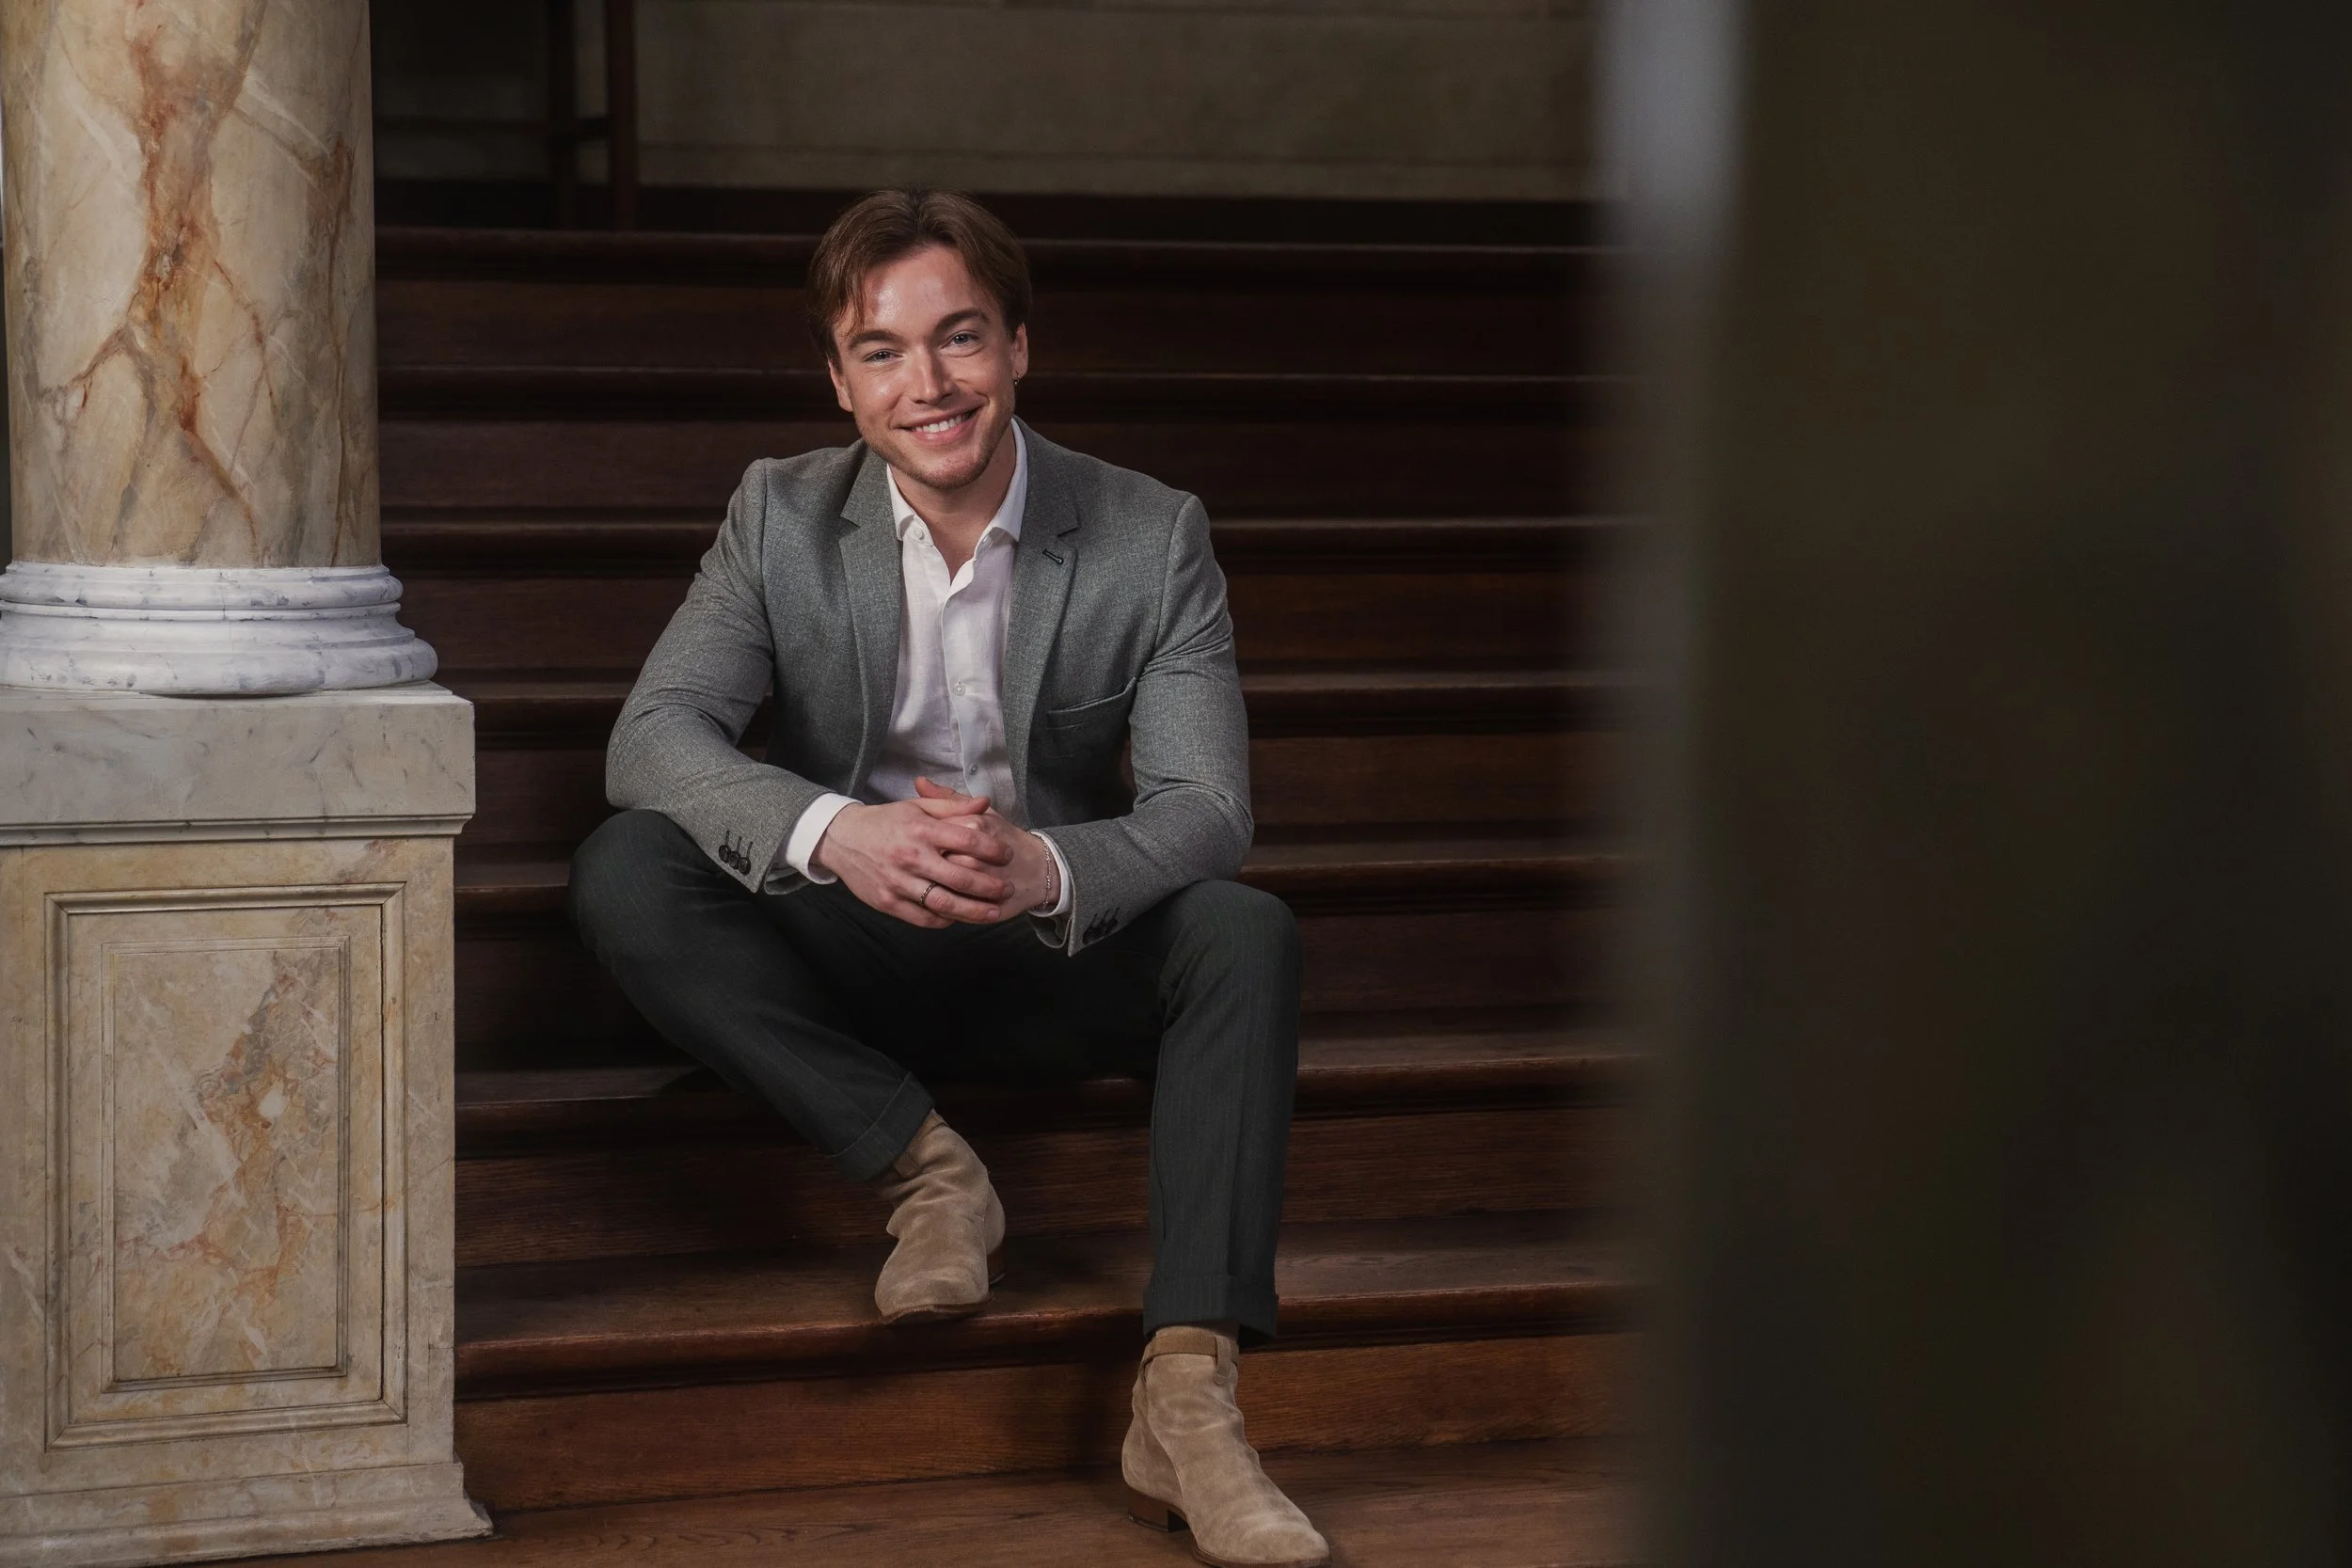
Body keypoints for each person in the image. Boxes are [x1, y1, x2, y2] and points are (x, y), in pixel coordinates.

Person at [568, 189, 1327, 1568]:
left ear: (1018, 347)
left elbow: (1209, 808)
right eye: (883, 350)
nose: (928, 384)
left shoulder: (1150, 532)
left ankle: (1189, 1400)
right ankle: (929, 1172)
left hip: (1045, 951)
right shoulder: (779, 514)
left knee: (1245, 931)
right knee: (629, 866)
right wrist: (837, 832)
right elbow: (655, 736)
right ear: (841, 380)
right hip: (848, 949)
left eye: (960, 337)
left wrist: (1046, 864)